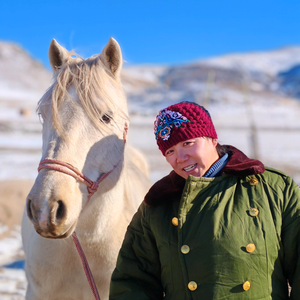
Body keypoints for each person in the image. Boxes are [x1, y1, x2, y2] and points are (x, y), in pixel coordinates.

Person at [109, 101, 300, 300]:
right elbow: (133, 281)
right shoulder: (158, 204)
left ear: (213, 138)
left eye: (187, 143)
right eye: (170, 151)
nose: (180, 157)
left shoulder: (273, 188)